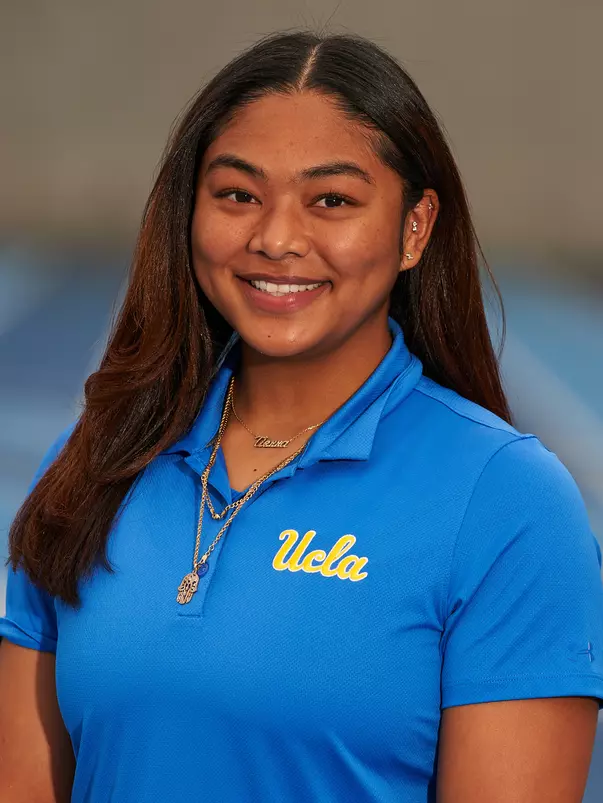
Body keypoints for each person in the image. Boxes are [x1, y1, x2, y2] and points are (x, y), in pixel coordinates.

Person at [1, 29, 602, 803]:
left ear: (414, 228)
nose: (276, 238)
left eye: (332, 201)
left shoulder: (506, 502)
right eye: (238, 195)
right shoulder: (94, 462)